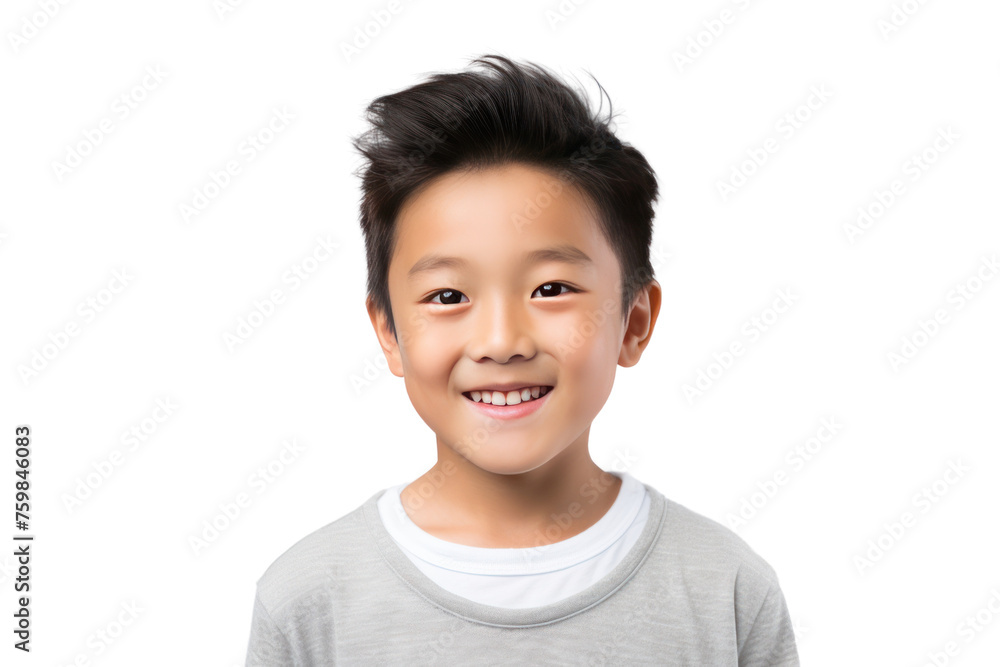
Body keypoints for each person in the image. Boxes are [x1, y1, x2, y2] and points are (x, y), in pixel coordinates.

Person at [245, 53, 800, 666]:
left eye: (551, 289)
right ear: (389, 333)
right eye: (448, 297)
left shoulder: (725, 591)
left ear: (634, 321)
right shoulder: (309, 602)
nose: (502, 340)